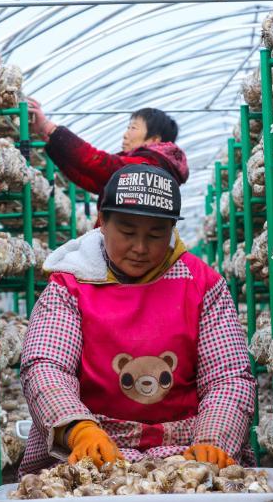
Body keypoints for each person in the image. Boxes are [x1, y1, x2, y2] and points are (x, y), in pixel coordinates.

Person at [18, 163, 255, 475]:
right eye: (127, 232)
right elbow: (46, 365)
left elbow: (228, 377)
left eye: (156, 234)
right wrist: (78, 430)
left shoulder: (202, 284)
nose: (141, 248)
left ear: (172, 229)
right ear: (102, 221)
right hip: (94, 448)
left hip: (185, 450)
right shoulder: (70, 285)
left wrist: (213, 440)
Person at [27, 100, 189, 194]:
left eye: (133, 128)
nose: (125, 135)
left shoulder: (150, 167)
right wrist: (48, 137)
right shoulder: (149, 165)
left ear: (154, 140)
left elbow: (101, 164)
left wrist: (48, 127)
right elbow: (88, 179)